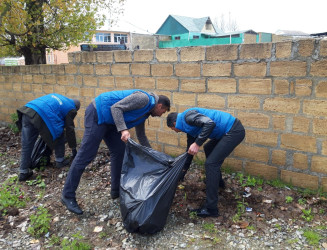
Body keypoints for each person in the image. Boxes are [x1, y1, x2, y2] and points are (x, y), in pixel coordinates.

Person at [61, 89, 170, 214]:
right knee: (86, 155)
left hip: (111, 122)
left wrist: (153, 155)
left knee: (120, 152)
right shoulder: (143, 99)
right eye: (163, 111)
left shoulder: (146, 112)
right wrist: (124, 130)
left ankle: (116, 191)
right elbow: (116, 108)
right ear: (160, 105)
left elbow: (141, 136)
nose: (161, 114)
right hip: (98, 114)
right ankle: (67, 195)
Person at [166, 107, 245, 218]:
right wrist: (183, 171)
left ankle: (211, 208)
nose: (176, 131)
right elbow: (189, 151)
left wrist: (198, 143)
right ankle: (218, 182)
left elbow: (209, 123)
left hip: (234, 130)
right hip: (227, 132)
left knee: (211, 164)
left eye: (173, 129)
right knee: (208, 148)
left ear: (175, 123)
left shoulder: (188, 117)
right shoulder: (188, 128)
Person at [16, 93, 80, 181]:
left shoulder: (60, 97)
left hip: (27, 111)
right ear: (76, 108)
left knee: (27, 144)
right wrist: (73, 148)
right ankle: (60, 161)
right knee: (60, 134)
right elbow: (70, 129)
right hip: (40, 115)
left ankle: (23, 172)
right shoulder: (71, 108)